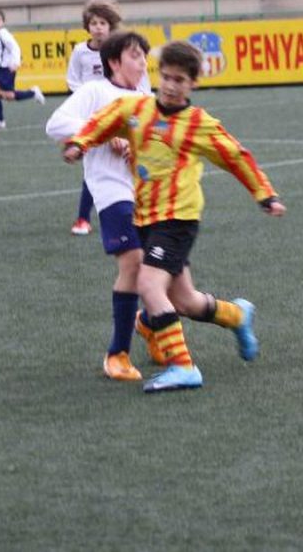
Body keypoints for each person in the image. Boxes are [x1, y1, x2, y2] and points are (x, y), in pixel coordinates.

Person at [62, 41, 287, 393]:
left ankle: (184, 367)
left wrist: (265, 194)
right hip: (145, 218)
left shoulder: (199, 123)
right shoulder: (136, 109)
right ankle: (237, 315)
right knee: (184, 301)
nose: (169, 86)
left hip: (178, 220)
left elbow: (236, 157)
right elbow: (104, 120)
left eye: (179, 80)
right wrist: (80, 143)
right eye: (166, 77)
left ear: (193, 83)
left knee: (149, 285)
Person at [45, 30, 153, 382]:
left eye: (144, 56)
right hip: (111, 189)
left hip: (147, 192)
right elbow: (55, 124)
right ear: (114, 62)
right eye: (135, 56)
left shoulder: (146, 98)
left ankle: (150, 324)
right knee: (133, 261)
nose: (142, 63)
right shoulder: (95, 91)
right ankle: (117, 354)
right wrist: (107, 134)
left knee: (162, 270)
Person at [65, 0, 151, 237]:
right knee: (95, 164)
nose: (98, 28)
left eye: (103, 23)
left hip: (126, 116)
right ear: (87, 26)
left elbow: (142, 84)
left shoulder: (124, 50)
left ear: (110, 25)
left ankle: (141, 211)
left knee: (131, 162)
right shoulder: (80, 52)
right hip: (94, 118)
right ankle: (83, 218)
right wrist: (88, 105)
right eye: (94, 23)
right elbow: (73, 81)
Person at [0, 8, 45, 129]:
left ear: (3, 22)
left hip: (5, 69)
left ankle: (33, 92)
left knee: (9, 96)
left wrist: (15, 63)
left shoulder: (4, 34)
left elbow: (15, 47)